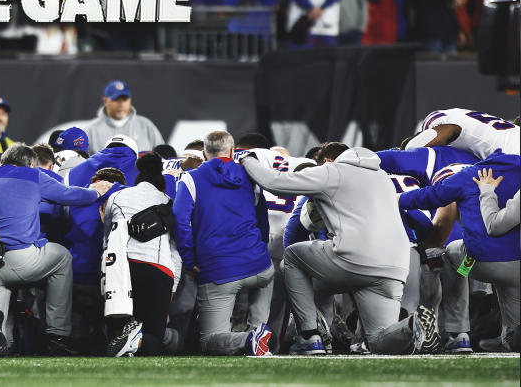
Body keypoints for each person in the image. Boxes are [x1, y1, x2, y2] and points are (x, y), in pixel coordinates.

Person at [239, 141, 439, 355]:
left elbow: (274, 182)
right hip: (395, 268)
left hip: (353, 259)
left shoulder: (332, 171)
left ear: (327, 160)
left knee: (292, 256)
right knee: (378, 341)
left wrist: (247, 159)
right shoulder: (383, 178)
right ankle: (412, 326)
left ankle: (310, 337)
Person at [0, 143, 113, 356]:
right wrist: (95, 191)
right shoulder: (32, 175)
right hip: (22, 260)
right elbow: (73, 196)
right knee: (62, 258)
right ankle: (57, 334)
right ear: (30, 164)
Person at [399, 153, 520, 352]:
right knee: (514, 334)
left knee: (449, 253)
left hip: (484, 262)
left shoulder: (470, 173)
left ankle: (458, 333)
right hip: (516, 266)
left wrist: (488, 192)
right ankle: (483, 294)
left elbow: (494, 226)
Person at [173, 131, 274, 356]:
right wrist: (258, 250)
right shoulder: (249, 176)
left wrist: (190, 261)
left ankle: (251, 338)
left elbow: (180, 222)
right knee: (267, 278)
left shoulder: (191, 178)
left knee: (209, 341)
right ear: (231, 151)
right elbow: (262, 220)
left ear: (203, 153)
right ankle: (259, 333)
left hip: (219, 271)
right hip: (260, 266)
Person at [101, 153, 181, 357]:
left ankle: (130, 339)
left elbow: (108, 236)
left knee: (118, 329)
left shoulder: (117, 197)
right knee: (154, 340)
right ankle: (137, 341)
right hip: (159, 269)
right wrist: (171, 292)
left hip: (123, 269)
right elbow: (175, 253)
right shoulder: (169, 202)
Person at [85, 81, 164, 153]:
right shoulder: (91, 131)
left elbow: (164, 156)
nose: (121, 104)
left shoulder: (145, 125)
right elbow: (81, 165)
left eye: (125, 99)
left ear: (130, 100)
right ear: (105, 101)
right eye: (116, 99)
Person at [407, 108, 520, 158]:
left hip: (514, 154)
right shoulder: (456, 115)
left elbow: (450, 130)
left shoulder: (443, 125)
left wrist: (408, 153)